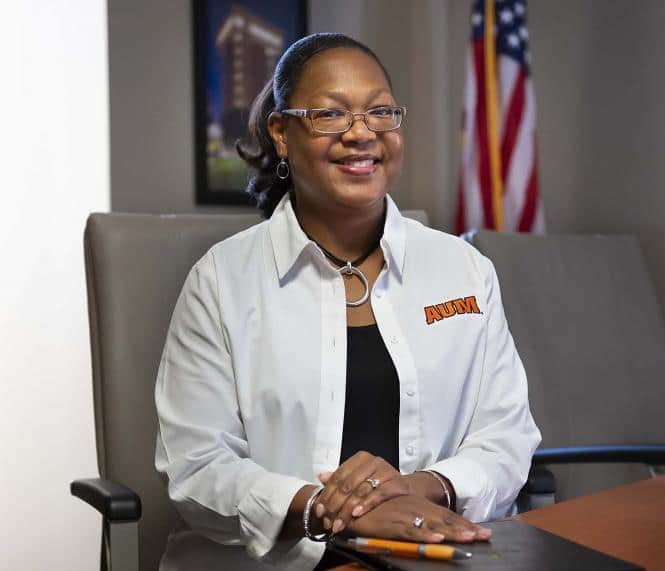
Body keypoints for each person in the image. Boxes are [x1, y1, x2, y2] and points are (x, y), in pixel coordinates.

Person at [155, 33, 540, 570]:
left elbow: (506, 434)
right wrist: (331, 511)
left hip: (429, 557)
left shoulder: (464, 270)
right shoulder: (221, 281)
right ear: (281, 134)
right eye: (330, 115)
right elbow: (197, 465)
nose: (362, 134)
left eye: (380, 111)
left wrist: (420, 490)